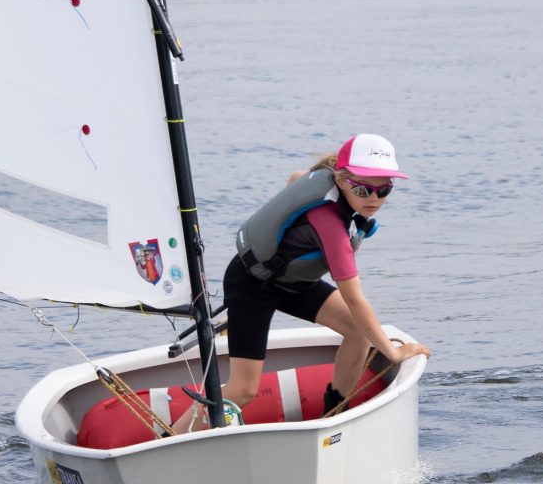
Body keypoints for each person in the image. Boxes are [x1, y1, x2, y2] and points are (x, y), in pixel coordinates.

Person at [172, 134, 430, 433]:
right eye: (363, 188)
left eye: (383, 190)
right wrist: (393, 352)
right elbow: (356, 300)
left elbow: (295, 179)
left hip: (294, 282)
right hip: (251, 286)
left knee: (358, 332)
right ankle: (170, 437)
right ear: (342, 179)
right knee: (244, 389)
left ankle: (333, 413)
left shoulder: (324, 179)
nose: (372, 199)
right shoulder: (331, 227)